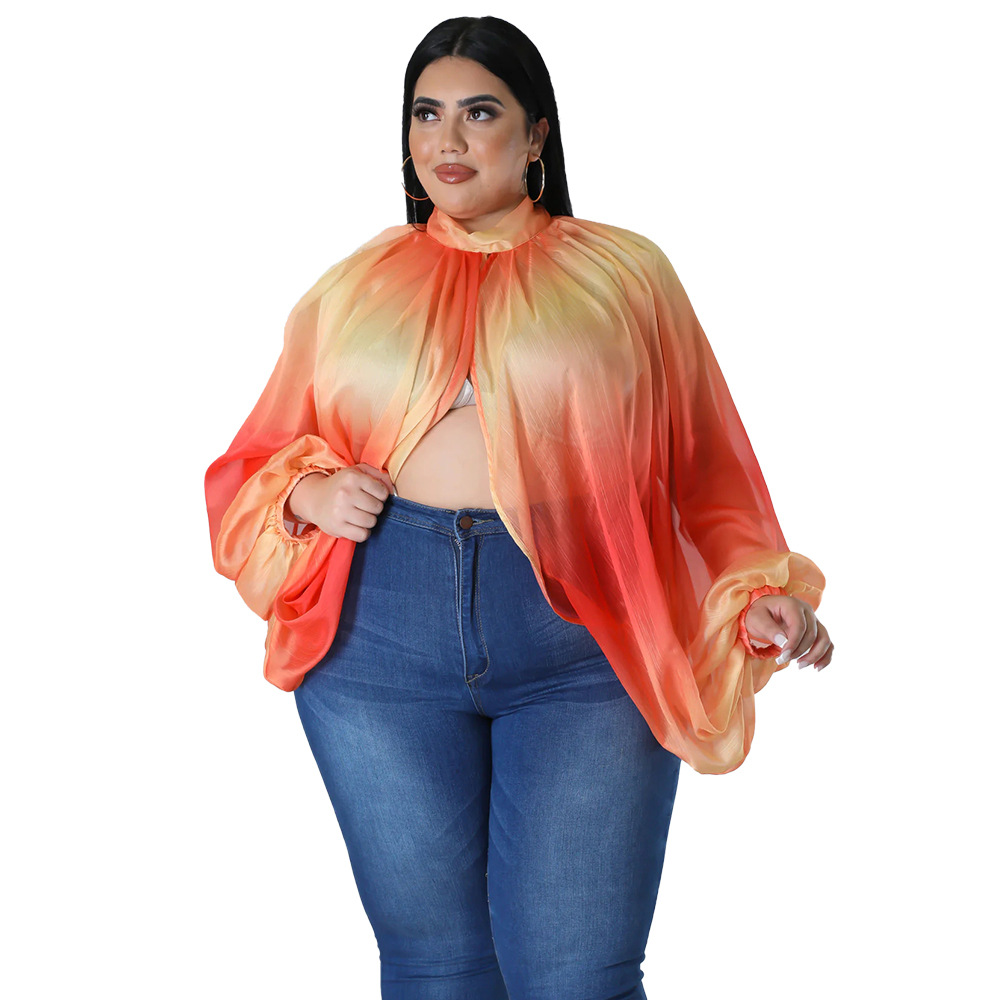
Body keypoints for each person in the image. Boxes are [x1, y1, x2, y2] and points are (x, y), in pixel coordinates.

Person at [203, 15, 833, 1000]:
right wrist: (310, 493)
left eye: (480, 113)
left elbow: (704, 461)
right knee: (436, 972)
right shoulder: (354, 287)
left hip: (583, 639)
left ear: (536, 132)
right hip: (377, 641)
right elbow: (253, 459)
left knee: (578, 976)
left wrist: (755, 591)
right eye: (426, 115)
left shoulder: (624, 275)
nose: (447, 140)